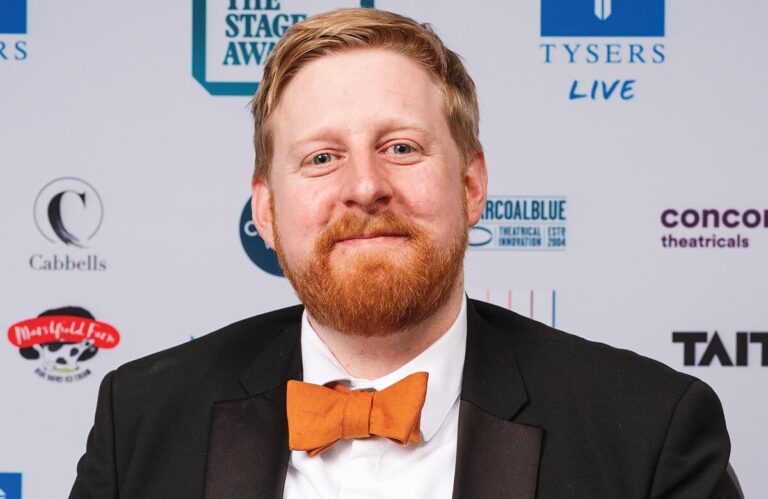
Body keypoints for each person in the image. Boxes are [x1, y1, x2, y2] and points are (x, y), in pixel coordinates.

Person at [69, 8, 741, 499]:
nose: (364, 186)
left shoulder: (651, 429)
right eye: (322, 157)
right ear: (267, 213)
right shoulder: (143, 418)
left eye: (401, 147)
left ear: (472, 185)